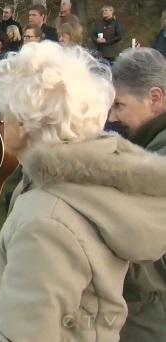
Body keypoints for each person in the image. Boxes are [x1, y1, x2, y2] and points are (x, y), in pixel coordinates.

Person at [0, 42, 166, 341]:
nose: (1, 121)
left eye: (4, 113)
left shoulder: (47, 219)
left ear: (23, 124)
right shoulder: (65, 177)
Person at [110, 47, 166, 341]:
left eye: (119, 105)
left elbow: (148, 261)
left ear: (154, 99)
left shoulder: (158, 165)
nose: (113, 117)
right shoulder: (150, 148)